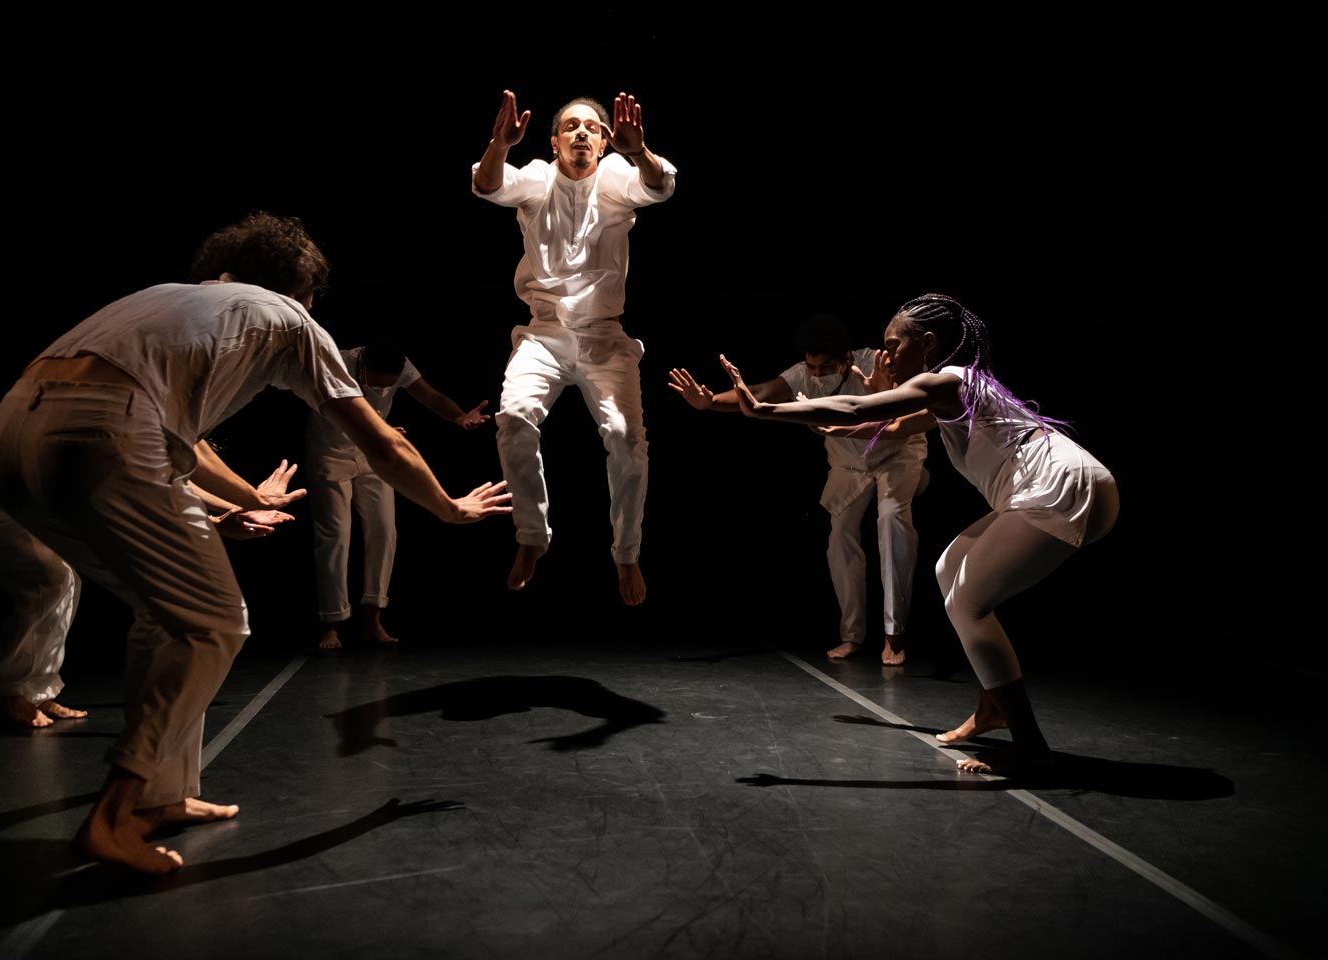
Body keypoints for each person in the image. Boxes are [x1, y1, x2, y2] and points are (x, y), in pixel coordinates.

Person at [0, 212, 511, 874]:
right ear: (302, 289)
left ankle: (164, 795)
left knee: (163, 614)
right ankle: (114, 815)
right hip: (102, 434)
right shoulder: (288, 318)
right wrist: (449, 508)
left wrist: (248, 498)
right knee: (212, 623)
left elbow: (181, 438)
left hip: (5, 445)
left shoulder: (163, 299)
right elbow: (383, 440)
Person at [719, 294, 1117, 776]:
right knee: (950, 569)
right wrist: (849, 408)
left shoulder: (944, 379)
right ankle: (992, 708)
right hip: (1073, 484)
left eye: (893, 346)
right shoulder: (955, 389)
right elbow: (883, 425)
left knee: (967, 604)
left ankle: (1031, 746)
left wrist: (766, 411)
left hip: (1060, 487)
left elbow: (853, 405)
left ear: (927, 344)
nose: (884, 356)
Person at [472, 89, 676, 605]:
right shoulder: (538, 177)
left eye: (592, 127)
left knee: (627, 440)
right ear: (555, 141)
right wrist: (499, 145)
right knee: (514, 419)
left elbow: (662, 185)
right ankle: (531, 536)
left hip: (604, 338)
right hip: (543, 333)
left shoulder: (617, 178)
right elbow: (487, 184)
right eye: (571, 126)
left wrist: (639, 151)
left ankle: (627, 553)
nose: (581, 132)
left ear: (606, 141)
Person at [0, 446, 298, 728]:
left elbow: (174, 471)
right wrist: (233, 510)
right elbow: (146, 485)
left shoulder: (146, 418)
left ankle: (35, 691)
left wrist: (242, 503)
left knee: (60, 579)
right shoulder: (108, 416)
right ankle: (9, 692)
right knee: (51, 578)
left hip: (19, 498)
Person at [668, 315, 929, 665]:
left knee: (891, 520)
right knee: (839, 538)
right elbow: (759, 395)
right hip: (848, 465)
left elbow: (910, 411)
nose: (818, 375)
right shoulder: (801, 374)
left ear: (847, 358)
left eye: (827, 367)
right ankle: (852, 635)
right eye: (813, 367)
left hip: (896, 454)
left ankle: (894, 637)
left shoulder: (875, 362)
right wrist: (711, 401)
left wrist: (885, 391)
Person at [307, 340, 490, 650]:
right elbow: (330, 407)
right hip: (331, 453)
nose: (384, 390)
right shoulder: (335, 363)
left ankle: (372, 619)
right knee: (335, 535)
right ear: (364, 368)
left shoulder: (401, 366)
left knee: (384, 532)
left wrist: (459, 417)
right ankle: (331, 624)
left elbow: (429, 395)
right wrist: (379, 428)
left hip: (374, 452)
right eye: (379, 384)